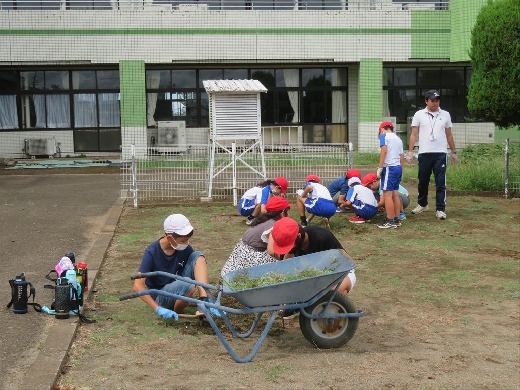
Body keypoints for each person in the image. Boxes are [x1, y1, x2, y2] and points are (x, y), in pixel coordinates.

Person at [133, 214, 221, 320]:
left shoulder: (185, 248)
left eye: (188, 239)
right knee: (187, 284)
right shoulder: (152, 253)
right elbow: (138, 286)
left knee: (198, 256)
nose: (187, 243)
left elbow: (196, 268)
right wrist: (158, 309)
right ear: (170, 238)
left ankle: (205, 300)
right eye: (183, 241)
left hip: (179, 285)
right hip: (161, 296)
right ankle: (176, 311)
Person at [267, 217, 357, 319]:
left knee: (334, 291)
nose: (289, 249)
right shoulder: (294, 245)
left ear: (299, 236)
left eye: (289, 246)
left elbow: (344, 263)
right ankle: (299, 305)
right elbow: (287, 268)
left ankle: (336, 311)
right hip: (313, 279)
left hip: (340, 272)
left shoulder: (321, 237)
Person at [407, 89, 457, 220]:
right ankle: (422, 204)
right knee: (423, 181)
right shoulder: (419, 114)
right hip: (424, 153)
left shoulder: (445, 114)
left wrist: (453, 152)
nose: (435, 103)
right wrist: (410, 152)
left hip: (440, 153)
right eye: (432, 101)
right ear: (426, 101)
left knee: (440, 182)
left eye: (437, 101)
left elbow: (449, 134)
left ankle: (441, 209)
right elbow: (413, 134)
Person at [221, 196, 292, 277]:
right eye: (288, 212)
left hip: (237, 260)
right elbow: (272, 252)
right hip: (249, 259)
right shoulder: (274, 226)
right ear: (283, 214)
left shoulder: (263, 220)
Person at [376, 121, 404, 229]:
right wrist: (402, 170)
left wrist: (380, 167)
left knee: (387, 194)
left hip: (389, 168)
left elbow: (384, 151)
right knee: (395, 194)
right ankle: (396, 219)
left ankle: (390, 220)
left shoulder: (384, 136)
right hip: (397, 167)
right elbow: (401, 157)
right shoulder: (398, 139)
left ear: (382, 129)